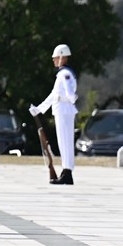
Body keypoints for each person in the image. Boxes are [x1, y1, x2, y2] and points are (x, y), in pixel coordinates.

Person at [29, 44, 78, 185]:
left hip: (64, 109)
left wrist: (72, 97)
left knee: (65, 142)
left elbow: (69, 92)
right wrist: (39, 109)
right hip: (62, 109)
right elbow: (53, 95)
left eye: (55, 58)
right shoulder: (62, 73)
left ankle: (67, 172)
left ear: (62, 57)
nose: (54, 60)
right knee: (64, 142)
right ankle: (66, 171)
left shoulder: (64, 74)